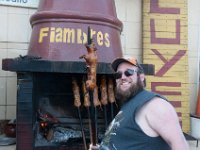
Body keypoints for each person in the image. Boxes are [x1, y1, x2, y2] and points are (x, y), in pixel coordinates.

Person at [97, 56, 189, 150]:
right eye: (118, 75)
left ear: (141, 77)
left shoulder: (155, 105)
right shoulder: (129, 103)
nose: (123, 77)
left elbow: (181, 146)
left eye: (129, 72)